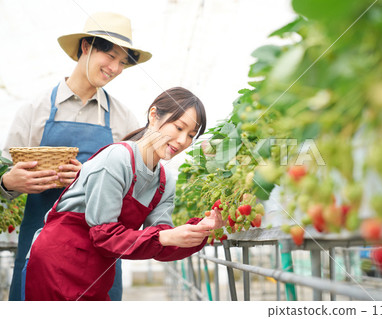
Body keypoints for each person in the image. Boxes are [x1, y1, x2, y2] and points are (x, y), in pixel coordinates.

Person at [0, 12, 152, 301]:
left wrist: (96, 181)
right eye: (110, 55)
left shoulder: (124, 120)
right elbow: (3, 180)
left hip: (98, 258)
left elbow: (136, 192)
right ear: (86, 47)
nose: (115, 68)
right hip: (39, 250)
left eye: (122, 62)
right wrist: (9, 182)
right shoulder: (34, 111)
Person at [24, 87, 224, 301]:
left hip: (96, 270)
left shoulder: (164, 181)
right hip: (56, 262)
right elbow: (104, 235)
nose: (183, 141)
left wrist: (200, 230)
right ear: (154, 115)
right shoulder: (117, 158)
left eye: (191, 136)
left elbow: (160, 244)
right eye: (179, 127)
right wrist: (163, 236)